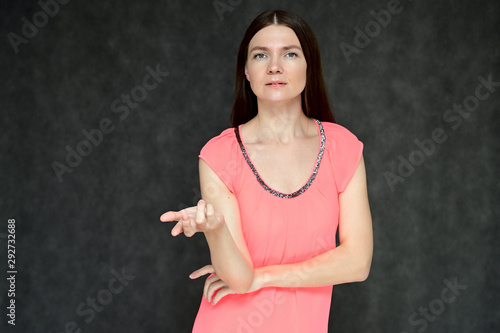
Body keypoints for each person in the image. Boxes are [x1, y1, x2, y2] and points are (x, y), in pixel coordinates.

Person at [160, 9, 373, 333]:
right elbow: (239, 279)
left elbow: (357, 263)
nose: (275, 66)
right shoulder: (219, 155)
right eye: (261, 55)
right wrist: (216, 230)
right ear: (246, 70)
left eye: (289, 53)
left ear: (308, 66)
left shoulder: (342, 149)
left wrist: (265, 276)